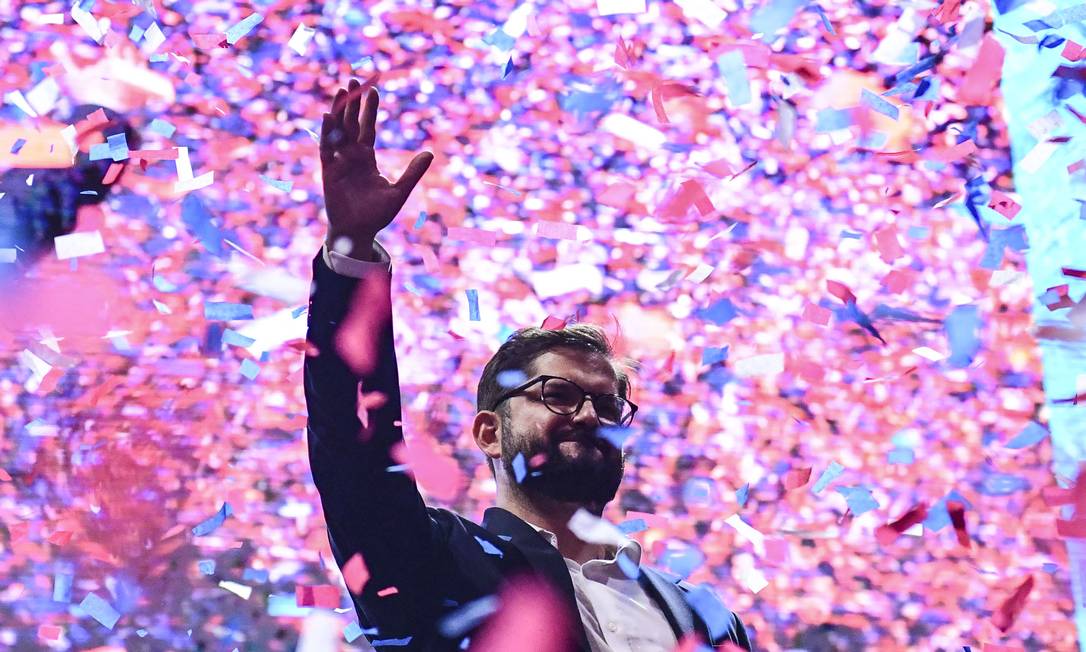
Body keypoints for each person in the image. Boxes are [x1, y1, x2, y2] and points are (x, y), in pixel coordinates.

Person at [305, 78, 753, 651]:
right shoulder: (435, 562)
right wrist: (353, 252)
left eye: (608, 404)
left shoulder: (703, 614)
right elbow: (353, 454)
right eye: (559, 395)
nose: (591, 415)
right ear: (490, 431)